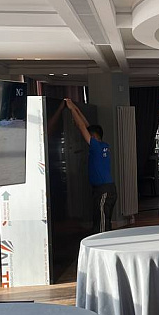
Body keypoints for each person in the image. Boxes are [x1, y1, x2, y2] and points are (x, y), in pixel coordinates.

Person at [65, 99, 117, 233]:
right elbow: (87, 126)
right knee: (101, 219)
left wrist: (71, 109)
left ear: (93, 137)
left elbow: (82, 127)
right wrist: (76, 108)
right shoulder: (103, 145)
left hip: (104, 190)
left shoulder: (95, 146)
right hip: (106, 189)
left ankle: (103, 243)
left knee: (102, 222)